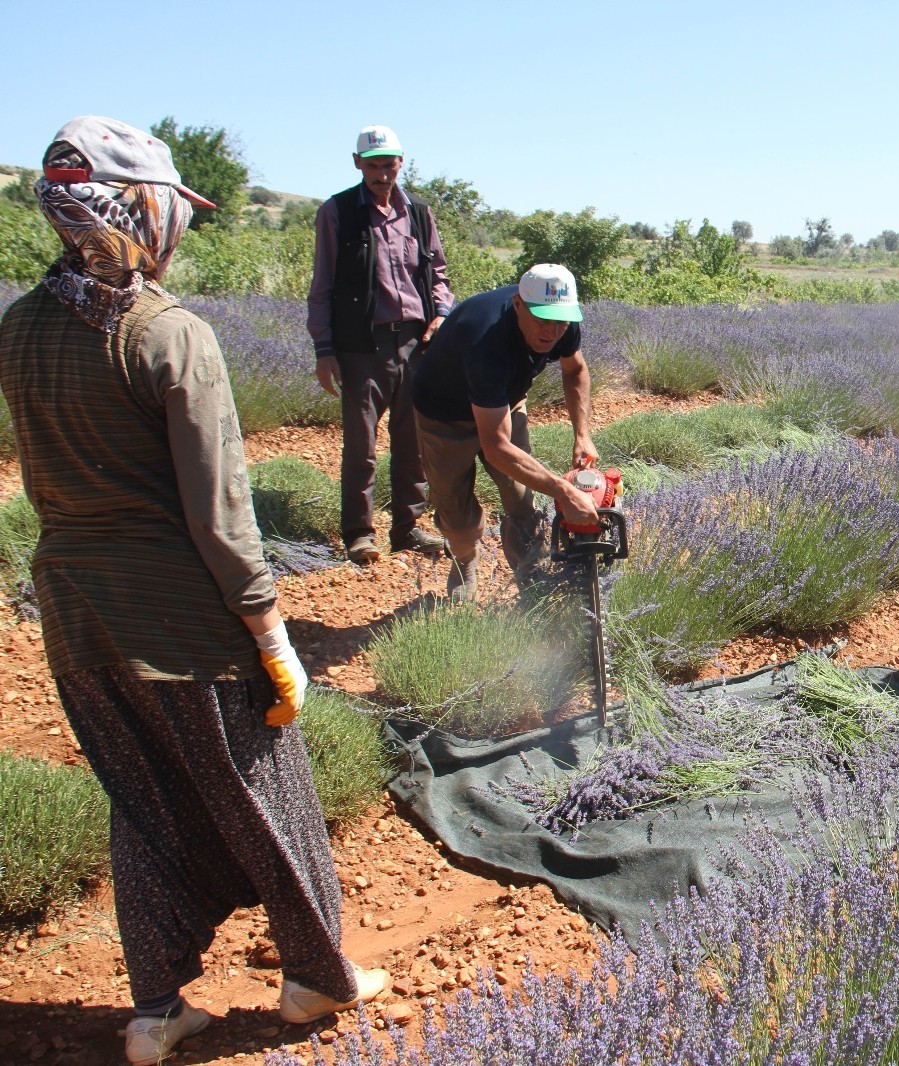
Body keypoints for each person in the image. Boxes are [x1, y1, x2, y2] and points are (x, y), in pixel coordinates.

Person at [0, 116, 387, 1066]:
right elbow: (221, 516)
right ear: (138, 209)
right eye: (174, 209)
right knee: (267, 790)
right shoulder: (169, 332)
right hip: (182, 621)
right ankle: (315, 979)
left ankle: (155, 1012)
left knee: (141, 802)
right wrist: (270, 631)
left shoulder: (19, 325)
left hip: (77, 613)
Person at [410, 263, 601, 601]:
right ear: (517, 305)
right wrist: (564, 492)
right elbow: (496, 447)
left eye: (560, 321)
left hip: (504, 400)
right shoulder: (485, 341)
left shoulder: (561, 324)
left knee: (522, 500)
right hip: (444, 414)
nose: (552, 331)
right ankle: (464, 555)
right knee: (458, 520)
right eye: (541, 319)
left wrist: (582, 433)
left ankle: (532, 582)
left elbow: (576, 370)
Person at [306, 124, 451, 564]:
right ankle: (360, 533)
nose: (382, 174)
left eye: (389, 165)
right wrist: (324, 350)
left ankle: (407, 529)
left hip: (414, 344)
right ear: (357, 164)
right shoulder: (337, 213)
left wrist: (442, 315)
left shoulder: (420, 214)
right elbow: (323, 285)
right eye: (373, 166)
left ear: (401, 163)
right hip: (360, 347)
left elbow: (438, 275)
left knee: (413, 443)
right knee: (361, 446)